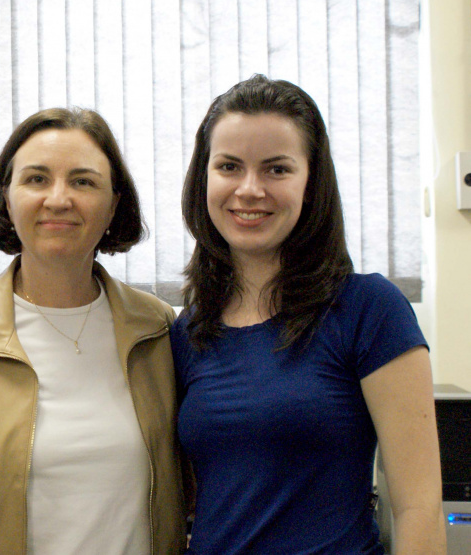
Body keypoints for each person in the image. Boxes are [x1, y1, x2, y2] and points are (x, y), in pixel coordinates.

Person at [171, 74, 446, 553]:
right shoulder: (189, 330)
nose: (249, 189)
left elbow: (418, 508)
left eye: (277, 169)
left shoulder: (369, 309)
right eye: (229, 166)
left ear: (311, 182)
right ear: (204, 178)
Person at [0, 107, 187, 554]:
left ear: (113, 205)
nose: (58, 199)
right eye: (36, 179)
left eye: (83, 182)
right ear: (7, 199)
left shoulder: (157, 330)